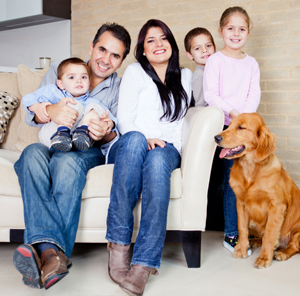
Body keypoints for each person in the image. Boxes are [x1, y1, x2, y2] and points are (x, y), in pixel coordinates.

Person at [13, 23, 131, 290]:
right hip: (52, 138)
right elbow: (33, 113)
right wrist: (48, 109)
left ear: (122, 61)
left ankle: (43, 249)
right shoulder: (60, 68)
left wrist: (106, 131)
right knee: (31, 154)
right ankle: (54, 258)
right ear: (91, 47)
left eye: (116, 55)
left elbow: (117, 133)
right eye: (102, 49)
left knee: (66, 162)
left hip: (86, 148)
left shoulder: (119, 88)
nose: (106, 59)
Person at [105, 19, 192, 296]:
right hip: (132, 142)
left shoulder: (187, 76)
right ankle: (119, 246)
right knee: (133, 141)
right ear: (142, 49)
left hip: (167, 148)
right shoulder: (134, 72)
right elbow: (125, 119)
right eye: (150, 40)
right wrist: (146, 136)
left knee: (157, 162)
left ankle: (143, 264)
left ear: (172, 44)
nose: (158, 44)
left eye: (164, 38)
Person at [203, 6, 261, 255]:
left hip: (244, 129)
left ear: (248, 31)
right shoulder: (215, 60)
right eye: (230, 28)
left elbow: (253, 94)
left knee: (247, 180)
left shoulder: (252, 63)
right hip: (224, 127)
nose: (236, 33)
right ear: (221, 30)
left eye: (242, 29)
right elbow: (211, 94)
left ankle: (248, 229)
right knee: (231, 182)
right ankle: (232, 234)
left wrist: (244, 122)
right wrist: (235, 118)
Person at [22, 57, 116, 153]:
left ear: (88, 83)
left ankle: (82, 135)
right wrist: (37, 107)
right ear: (61, 84)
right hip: (51, 135)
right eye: (72, 77)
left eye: (83, 77)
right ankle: (62, 135)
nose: (79, 80)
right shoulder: (53, 91)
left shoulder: (92, 102)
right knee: (73, 104)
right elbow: (27, 98)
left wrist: (110, 123)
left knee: (96, 108)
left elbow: (113, 120)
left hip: (77, 142)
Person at [184, 27, 216, 107]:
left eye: (208, 45)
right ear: (189, 55)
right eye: (197, 48)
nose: (204, 50)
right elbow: (200, 106)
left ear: (214, 48)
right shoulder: (200, 76)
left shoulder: (215, 70)